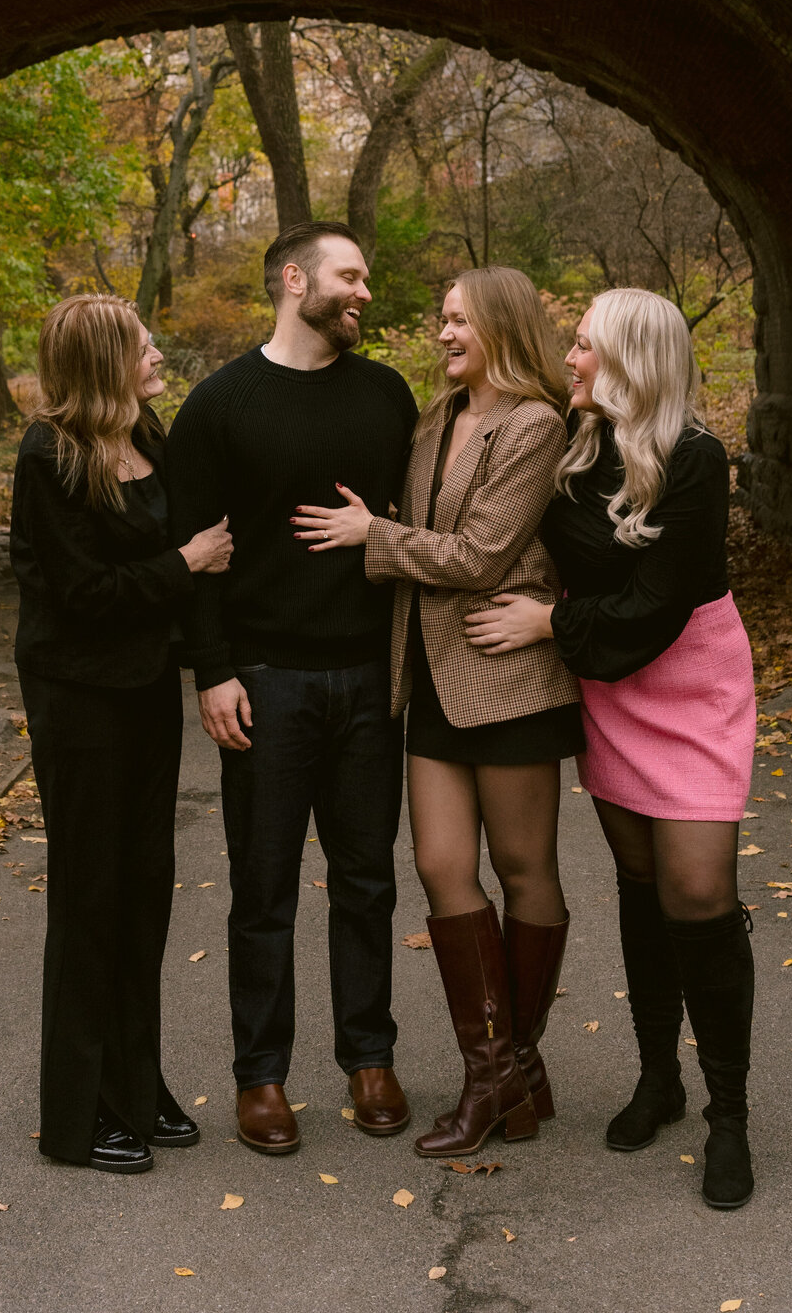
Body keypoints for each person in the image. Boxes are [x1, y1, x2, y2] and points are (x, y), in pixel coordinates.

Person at [464, 287, 758, 1211]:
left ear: (633, 358)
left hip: (689, 677)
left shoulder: (696, 458)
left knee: (698, 892)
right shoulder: (573, 445)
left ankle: (728, 1116)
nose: (571, 360)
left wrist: (549, 623)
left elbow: (658, 603)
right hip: (610, 683)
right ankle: (657, 1078)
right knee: (640, 884)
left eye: (586, 346)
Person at [293, 266, 581, 1157]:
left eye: (460, 321)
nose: (444, 334)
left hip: (506, 673)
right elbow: (432, 535)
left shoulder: (535, 425)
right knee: (441, 866)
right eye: (442, 320)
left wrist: (372, 537)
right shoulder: (434, 420)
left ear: (502, 326)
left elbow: (483, 555)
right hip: (428, 678)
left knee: (525, 870)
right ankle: (506, 1071)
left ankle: (501, 1075)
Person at [166, 222, 419, 1155]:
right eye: (350, 275)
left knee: (367, 880)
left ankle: (370, 1058)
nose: (364, 293)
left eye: (366, 278)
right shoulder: (219, 405)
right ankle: (261, 1076)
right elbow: (194, 549)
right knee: (263, 888)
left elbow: (415, 521)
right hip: (264, 682)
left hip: (368, 678)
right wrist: (212, 671)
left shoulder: (387, 396)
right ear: (294, 280)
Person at [11, 294, 233, 1175]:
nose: (158, 356)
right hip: (79, 702)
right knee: (90, 897)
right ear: (104, 361)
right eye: (143, 347)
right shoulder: (50, 455)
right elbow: (81, 595)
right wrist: (184, 563)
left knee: (144, 890)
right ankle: (78, 1114)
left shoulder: (148, 436)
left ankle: (136, 1086)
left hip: (143, 696)